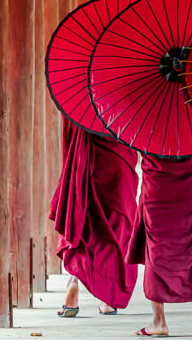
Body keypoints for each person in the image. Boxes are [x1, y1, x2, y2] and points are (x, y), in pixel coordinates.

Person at [50, 120, 141, 317]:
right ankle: (108, 300)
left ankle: (73, 282)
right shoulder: (125, 90)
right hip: (119, 157)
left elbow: (71, 124)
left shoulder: (81, 92)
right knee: (119, 226)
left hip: (89, 155)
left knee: (81, 220)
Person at [129, 154, 192, 337]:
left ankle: (159, 322)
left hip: (157, 179)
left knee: (156, 244)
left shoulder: (149, 124)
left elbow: (138, 144)